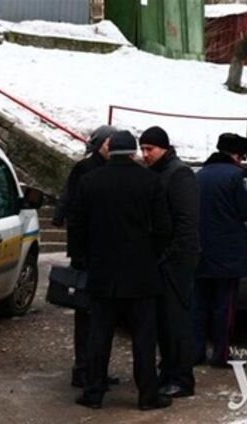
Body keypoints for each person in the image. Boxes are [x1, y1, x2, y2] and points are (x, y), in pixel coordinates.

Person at [70, 130, 173, 410]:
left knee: (99, 335)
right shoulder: (150, 182)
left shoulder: (90, 181)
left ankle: (94, 392)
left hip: (103, 273)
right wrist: (154, 254)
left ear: (110, 149)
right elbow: (164, 228)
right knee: (144, 337)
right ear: (133, 152)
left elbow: (77, 225)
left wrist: (82, 258)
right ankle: (147, 395)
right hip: (142, 274)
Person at [52, 125, 118, 388]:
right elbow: (73, 205)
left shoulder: (99, 168)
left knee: (95, 314)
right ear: (102, 144)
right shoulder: (87, 169)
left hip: (93, 252)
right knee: (87, 313)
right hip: (88, 254)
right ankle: (84, 369)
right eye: (110, 142)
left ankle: (93, 369)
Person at [139, 126, 199, 397]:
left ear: (163, 148)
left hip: (175, 262)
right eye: (142, 149)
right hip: (159, 260)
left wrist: (172, 256)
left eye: (149, 149)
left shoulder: (179, 173)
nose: (145, 154)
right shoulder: (156, 173)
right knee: (163, 322)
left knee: (176, 321)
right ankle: (168, 370)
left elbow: (187, 222)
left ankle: (181, 377)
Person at [193, 133, 247, 368]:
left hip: (199, 250)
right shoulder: (237, 175)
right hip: (228, 254)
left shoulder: (199, 175)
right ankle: (220, 354)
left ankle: (195, 351)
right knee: (224, 306)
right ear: (237, 155)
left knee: (198, 304)